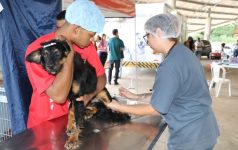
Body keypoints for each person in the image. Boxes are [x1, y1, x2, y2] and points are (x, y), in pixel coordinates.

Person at [106, 14, 219, 150]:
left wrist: (116, 106)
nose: (147, 41)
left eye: (147, 35)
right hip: (204, 129)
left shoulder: (170, 64)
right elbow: (168, 96)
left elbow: (155, 109)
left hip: (190, 137)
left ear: (158, 32)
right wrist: (136, 97)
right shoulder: (184, 53)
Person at [25, 0, 106, 128]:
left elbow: (101, 77)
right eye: (90, 35)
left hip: (74, 119)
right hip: (45, 124)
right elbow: (59, 96)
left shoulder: (87, 47)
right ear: (76, 29)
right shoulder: (39, 50)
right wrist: (69, 55)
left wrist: (88, 96)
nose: (91, 40)